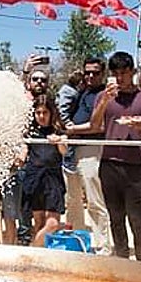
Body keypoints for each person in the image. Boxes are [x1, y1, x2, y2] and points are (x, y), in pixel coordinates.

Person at [97, 51, 141, 261]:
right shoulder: (105, 96)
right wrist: (104, 101)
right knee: (116, 219)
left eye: (123, 73)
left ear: (133, 72)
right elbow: (95, 125)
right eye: (115, 73)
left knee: (137, 219)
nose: (119, 78)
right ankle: (122, 262)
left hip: (137, 166)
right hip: (109, 164)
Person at [64, 57, 112, 253]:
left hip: (92, 148)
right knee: (72, 200)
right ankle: (78, 242)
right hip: (72, 149)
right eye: (87, 72)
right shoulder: (82, 92)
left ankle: (102, 246)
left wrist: (73, 129)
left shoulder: (104, 95)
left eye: (95, 72)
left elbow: (100, 126)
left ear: (103, 74)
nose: (91, 76)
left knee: (94, 200)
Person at [19, 95, 67, 247]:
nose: (41, 116)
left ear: (51, 113)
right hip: (34, 178)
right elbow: (23, 152)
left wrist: (59, 141)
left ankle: (32, 248)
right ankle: (40, 255)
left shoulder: (58, 131)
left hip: (53, 179)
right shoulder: (30, 133)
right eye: (38, 113)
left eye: (44, 112)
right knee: (39, 223)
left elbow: (64, 151)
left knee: (52, 224)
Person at [56, 65, 86, 231]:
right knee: (72, 194)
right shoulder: (68, 91)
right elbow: (63, 110)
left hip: (77, 138)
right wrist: (69, 126)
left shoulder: (75, 92)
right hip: (71, 135)